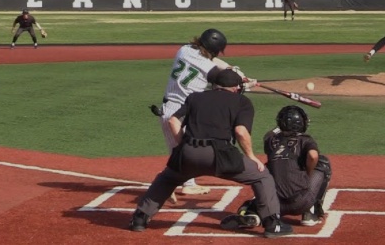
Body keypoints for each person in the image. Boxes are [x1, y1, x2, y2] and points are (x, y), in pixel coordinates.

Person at [130, 69, 293, 238]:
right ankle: (272, 224)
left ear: (215, 85)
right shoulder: (242, 101)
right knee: (262, 176)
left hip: (189, 153)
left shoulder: (195, 97)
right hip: (221, 156)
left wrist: (182, 146)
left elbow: (172, 120)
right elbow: (241, 132)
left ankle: (139, 219)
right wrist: (252, 157)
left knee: (167, 178)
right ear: (236, 88)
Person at [151, 28, 256, 199]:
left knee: (181, 152)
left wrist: (231, 68)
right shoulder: (208, 68)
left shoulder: (185, 50)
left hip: (172, 109)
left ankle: (184, 183)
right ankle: (168, 182)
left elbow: (214, 63)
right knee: (184, 152)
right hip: (180, 114)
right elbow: (224, 81)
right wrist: (244, 82)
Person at [220, 105, 332, 229]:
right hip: (301, 202)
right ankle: (310, 213)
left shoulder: (270, 140)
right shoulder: (306, 140)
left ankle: (254, 214)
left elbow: (273, 132)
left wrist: (283, 124)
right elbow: (313, 156)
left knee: (268, 175)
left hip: (275, 204)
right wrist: (308, 173)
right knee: (323, 163)